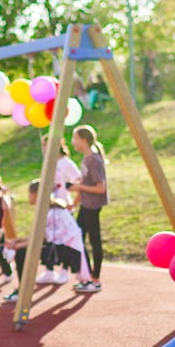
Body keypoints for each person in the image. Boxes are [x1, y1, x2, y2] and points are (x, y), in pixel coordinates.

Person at [2, 179, 87, 302]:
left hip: (67, 251)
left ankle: (23, 291)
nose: (28, 197)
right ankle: (23, 289)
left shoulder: (50, 211)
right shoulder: (47, 208)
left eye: (29, 193)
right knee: (21, 249)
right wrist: (16, 241)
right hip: (61, 246)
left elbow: (43, 239)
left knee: (21, 253)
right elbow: (39, 235)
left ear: (36, 194)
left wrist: (19, 245)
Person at [70, 125, 108, 294]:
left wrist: (78, 187)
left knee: (94, 240)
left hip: (93, 206)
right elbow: (85, 184)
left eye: (75, 139)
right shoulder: (86, 159)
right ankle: (86, 276)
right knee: (78, 236)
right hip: (85, 204)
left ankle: (95, 279)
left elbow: (101, 188)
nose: (73, 142)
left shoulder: (94, 160)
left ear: (84, 140)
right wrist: (74, 202)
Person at [42, 133, 81, 207]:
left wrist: (73, 204)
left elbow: (81, 182)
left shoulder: (66, 163)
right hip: (52, 206)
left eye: (45, 145)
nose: (43, 149)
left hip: (64, 206)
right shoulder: (50, 164)